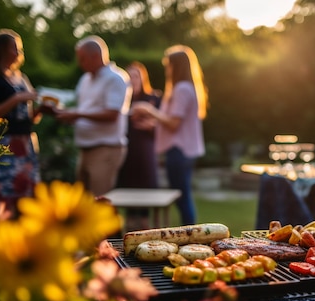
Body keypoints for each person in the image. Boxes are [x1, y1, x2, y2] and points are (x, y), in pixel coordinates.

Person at [132, 45, 207, 225]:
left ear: (176, 66)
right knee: (183, 197)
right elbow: (174, 121)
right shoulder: (188, 87)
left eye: (168, 65)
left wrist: (149, 110)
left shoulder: (182, 89)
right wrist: (152, 124)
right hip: (184, 150)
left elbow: (173, 123)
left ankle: (191, 236)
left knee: (182, 198)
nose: (167, 69)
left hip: (179, 151)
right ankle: (191, 235)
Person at [55, 35, 132, 197]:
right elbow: (84, 109)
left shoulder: (116, 78)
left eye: (82, 59)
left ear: (96, 56)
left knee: (100, 202)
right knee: (83, 203)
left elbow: (112, 114)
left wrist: (77, 114)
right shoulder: (85, 79)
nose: (80, 63)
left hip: (106, 149)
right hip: (85, 148)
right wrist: (67, 114)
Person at [0, 28, 42, 217]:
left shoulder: (22, 78)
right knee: (3, 192)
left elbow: (30, 117)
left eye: (20, 49)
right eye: (15, 48)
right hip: (4, 144)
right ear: (2, 50)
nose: (18, 53)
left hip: (26, 143)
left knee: (27, 196)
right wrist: (17, 98)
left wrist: (42, 110)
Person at [117, 61, 162, 231]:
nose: (132, 79)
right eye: (129, 76)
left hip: (144, 154)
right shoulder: (122, 101)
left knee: (144, 203)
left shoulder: (153, 99)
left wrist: (152, 127)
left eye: (136, 76)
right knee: (128, 203)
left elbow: (165, 125)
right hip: (126, 154)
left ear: (143, 78)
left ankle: (146, 233)